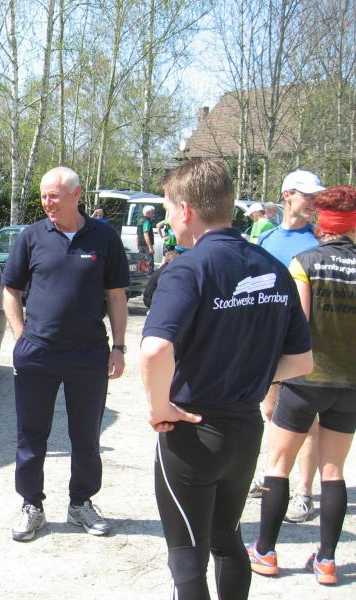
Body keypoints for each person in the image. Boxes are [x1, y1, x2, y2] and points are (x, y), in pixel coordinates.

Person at [140, 158, 312, 599]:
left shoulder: (187, 269)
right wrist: (248, 373)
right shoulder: (272, 267)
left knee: (187, 558)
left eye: (168, 209)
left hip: (191, 431)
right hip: (245, 431)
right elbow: (301, 361)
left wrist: (160, 408)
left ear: (186, 210)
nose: (166, 220)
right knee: (228, 540)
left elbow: (155, 350)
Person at [2, 166, 130, 542]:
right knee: (31, 434)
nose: (47, 202)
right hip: (37, 354)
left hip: (89, 355)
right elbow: (10, 290)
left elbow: (116, 296)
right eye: (44, 196)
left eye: (54, 195)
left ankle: (81, 503)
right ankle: (31, 505)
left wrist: (119, 347)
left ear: (76, 194)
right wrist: (20, 337)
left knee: (86, 434)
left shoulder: (104, 237)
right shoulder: (31, 236)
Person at [247, 185, 356, 586]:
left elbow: (297, 328)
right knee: (333, 471)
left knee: (278, 465)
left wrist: (273, 383)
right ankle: (326, 561)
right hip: (349, 384)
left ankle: (265, 551)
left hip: (305, 380)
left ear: (323, 223)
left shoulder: (304, 262)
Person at [249, 169, 326, 523]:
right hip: (269, 344)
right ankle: (272, 476)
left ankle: (303, 492)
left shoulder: (319, 242)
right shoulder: (266, 239)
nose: (313, 202)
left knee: (307, 420)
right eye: (307, 195)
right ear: (287, 196)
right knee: (271, 413)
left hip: (306, 346)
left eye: (316, 196)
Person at [137, 204, 156, 272]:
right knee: (149, 262)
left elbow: (138, 234)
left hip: (140, 245)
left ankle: (141, 275)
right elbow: (146, 234)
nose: (154, 214)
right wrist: (150, 247)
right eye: (152, 212)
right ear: (148, 213)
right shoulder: (147, 221)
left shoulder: (140, 220)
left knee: (142, 262)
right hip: (146, 246)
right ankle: (149, 275)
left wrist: (138, 245)